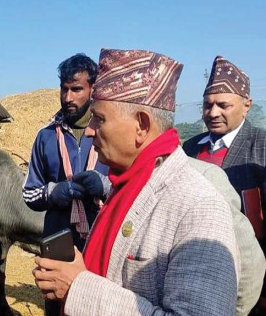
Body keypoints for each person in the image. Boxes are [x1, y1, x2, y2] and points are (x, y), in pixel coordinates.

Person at [33, 48, 240, 315]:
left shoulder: (200, 209)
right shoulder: (125, 188)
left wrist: (79, 286)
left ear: (141, 125)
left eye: (100, 119)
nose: (91, 131)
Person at [22, 53, 108, 315]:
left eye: (77, 89)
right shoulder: (46, 136)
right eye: (64, 88)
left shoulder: (109, 131)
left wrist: (103, 187)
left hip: (101, 239)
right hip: (59, 243)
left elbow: (131, 189)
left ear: (93, 89)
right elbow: (30, 193)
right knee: (57, 307)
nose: (68, 97)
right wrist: (54, 192)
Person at [183, 55, 266, 314]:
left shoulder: (262, 147)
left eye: (223, 105)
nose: (213, 113)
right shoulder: (189, 149)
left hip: (251, 278)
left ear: (246, 106)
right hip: (197, 269)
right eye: (207, 106)